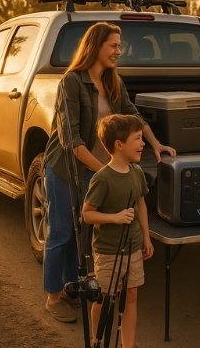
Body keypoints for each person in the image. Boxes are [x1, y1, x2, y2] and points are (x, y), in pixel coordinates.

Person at [42, 22, 175, 323]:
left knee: (82, 232)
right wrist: (106, 171)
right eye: (113, 45)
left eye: (119, 45)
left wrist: (156, 144)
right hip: (66, 168)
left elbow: (133, 117)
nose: (119, 51)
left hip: (97, 169)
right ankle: (53, 297)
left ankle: (70, 289)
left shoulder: (114, 81)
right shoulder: (71, 82)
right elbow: (70, 140)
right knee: (62, 231)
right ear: (96, 46)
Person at [83, 114, 154, 348]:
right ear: (119, 145)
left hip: (133, 247)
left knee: (131, 296)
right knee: (105, 297)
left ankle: (128, 345)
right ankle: (96, 339)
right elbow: (87, 214)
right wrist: (115, 218)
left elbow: (141, 204)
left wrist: (146, 236)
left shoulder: (137, 173)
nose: (143, 143)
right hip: (108, 251)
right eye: (138, 138)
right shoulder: (102, 179)